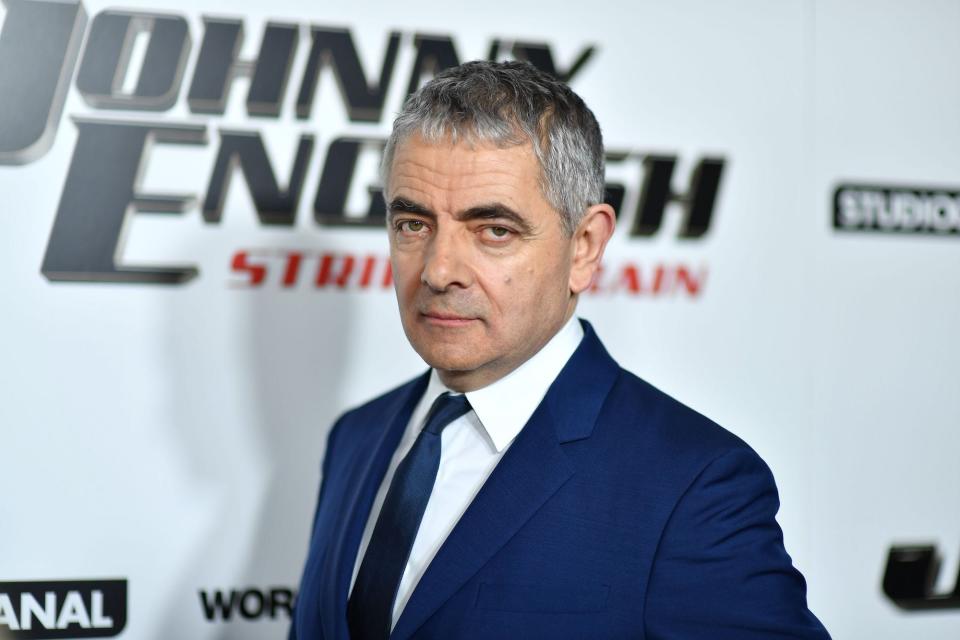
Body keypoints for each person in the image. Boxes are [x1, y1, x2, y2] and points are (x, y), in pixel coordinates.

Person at [290, 60, 830, 640]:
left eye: (494, 230)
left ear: (585, 247)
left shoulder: (691, 487)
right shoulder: (356, 437)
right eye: (414, 224)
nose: (440, 270)